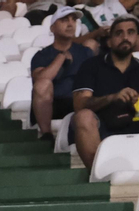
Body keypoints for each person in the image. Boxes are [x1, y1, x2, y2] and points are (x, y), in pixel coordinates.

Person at [71, 17, 139, 171]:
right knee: (82, 116)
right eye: (119, 33)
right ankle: (98, 173)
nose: (125, 37)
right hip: (102, 124)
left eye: (130, 32)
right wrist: (112, 98)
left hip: (135, 122)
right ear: (109, 41)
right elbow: (79, 104)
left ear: (137, 38)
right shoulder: (91, 65)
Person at [29, 7, 92, 137]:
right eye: (64, 20)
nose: (70, 24)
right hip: (53, 104)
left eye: (73, 20)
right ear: (52, 28)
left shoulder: (86, 52)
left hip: (80, 102)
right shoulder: (42, 56)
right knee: (42, 85)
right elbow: (40, 80)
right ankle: (46, 135)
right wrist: (61, 57)